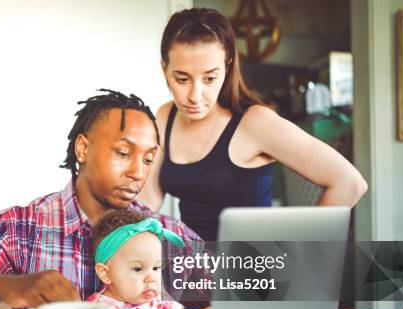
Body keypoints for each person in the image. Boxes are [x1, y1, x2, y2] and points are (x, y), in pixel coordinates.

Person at [0, 89, 203, 309]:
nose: (138, 173)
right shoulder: (21, 227)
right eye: (123, 152)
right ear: (83, 148)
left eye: (148, 159)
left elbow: (242, 284)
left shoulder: (164, 231)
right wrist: (5, 286)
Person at [138, 8, 368, 241]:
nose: (195, 95)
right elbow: (148, 200)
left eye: (210, 78)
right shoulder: (166, 116)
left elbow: (349, 183)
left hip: (249, 271)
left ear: (227, 67)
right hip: (191, 268)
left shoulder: (256, 123)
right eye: (182, 79)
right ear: (164, 68)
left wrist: (301, 256)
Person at [86, 208, 210, 309]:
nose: (151, 278)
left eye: (156, 268)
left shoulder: (158, 305)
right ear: (105, 273)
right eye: (138, 269)